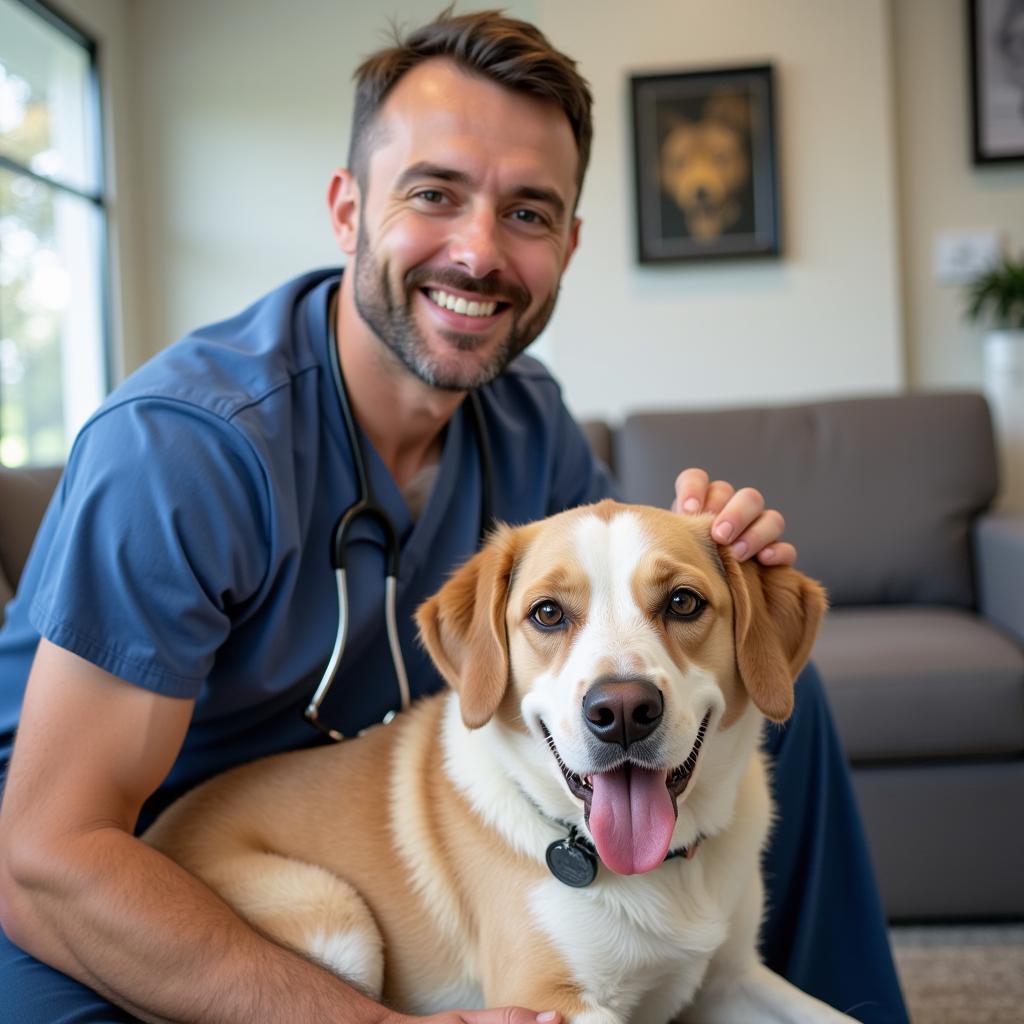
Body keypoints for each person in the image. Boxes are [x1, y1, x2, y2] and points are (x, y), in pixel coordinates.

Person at [0, 9, 908, 1023]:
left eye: (527, 212)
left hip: (358, 836)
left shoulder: (526, 423)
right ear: (348, 210)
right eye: (434, 194)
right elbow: (48, 858)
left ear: (567, 244)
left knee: (781, 686)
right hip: (104, 874)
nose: (477, 253)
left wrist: (727, 564)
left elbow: (613, 622)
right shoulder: (180, 452)